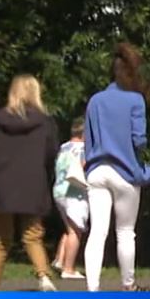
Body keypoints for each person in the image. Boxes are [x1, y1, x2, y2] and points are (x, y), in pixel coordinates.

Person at [83, 42, 150, 292]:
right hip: (125, 172)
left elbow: (88, 139)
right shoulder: (136, 100)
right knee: (125, 232)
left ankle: (92, 290)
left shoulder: (95, 101)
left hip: (97, 170)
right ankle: (128, 285)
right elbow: (139, 140)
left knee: (97, 232)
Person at [0, 75, 60, 292]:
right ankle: (44, 277)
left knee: (2, 240)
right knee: (33, 236)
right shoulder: (45, 123)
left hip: (3, 184)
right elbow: (51, 153)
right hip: (33, 183)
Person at [51, 117, 89, 280]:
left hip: (59, 190)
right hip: (75, 192)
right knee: (76, 231)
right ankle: (69, 268)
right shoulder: (83, 149)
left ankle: (60, 260)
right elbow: (82, 166)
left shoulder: (63, 147)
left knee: (69, 228)